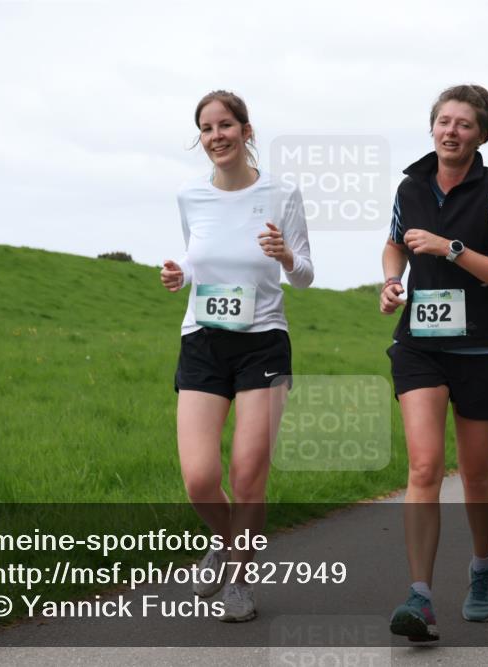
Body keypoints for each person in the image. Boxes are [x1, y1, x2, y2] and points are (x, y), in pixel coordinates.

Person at [379, 84, 488, 642]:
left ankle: (482, 569)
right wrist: (392, 280)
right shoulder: (410, 186)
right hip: (419, 344)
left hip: (484, 348)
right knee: (423, 467)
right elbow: (394, 242)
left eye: (464, 124)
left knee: (474, 473)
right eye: (443, 121)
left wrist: (452, 249)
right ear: (432, 127)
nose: (451, 131)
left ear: (481, 134)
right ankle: (419, 598)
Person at [160, 90, 313, 622]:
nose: (216, 136)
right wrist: (180, 273)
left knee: (248, 473)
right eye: (206, 129)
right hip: (202, 340)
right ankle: (231, 544)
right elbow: (196, 254)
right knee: (200, 478)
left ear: (247, 131)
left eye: (226, 125)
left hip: (262, 341)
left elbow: (305, 274)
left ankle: (241, 579)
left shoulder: (281, 193)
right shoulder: (189, 196)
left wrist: (286, 254)